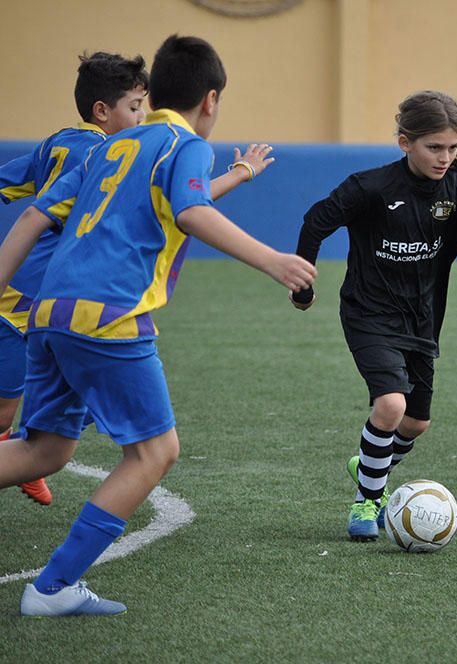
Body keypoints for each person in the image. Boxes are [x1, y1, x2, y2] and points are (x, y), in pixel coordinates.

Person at [0, 34, 315, 616]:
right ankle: (53, 588)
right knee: (154, 454)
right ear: (211, 99)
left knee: (44, 451)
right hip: (109, 316)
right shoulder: (186, 143)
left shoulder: (106, 147)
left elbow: (33, 213)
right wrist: (274, 261)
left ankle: (56, 586)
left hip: (47, 314)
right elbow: (192, 211)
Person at [0, 52, 276, 507]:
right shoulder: (107, 154)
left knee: (48, 419)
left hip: (43, 303)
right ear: (103, 111)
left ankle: (30, 457)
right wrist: (240, 177)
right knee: (23, 413)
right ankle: (27, 469)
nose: (143, 116)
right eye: (134, 106)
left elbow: (25, 203)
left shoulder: (56, 143)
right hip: (53, 304)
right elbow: (188, 207)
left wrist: (238, 173)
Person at [290, 90, 457, 542]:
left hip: (422, 319)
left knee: (415, 423)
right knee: (391, 405)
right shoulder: (370, 187)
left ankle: (370, 463)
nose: (444, 157)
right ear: (404, 143)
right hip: (368, 312)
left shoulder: (456, 189)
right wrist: (303, 285)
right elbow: (317, 221)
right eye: (434, 147)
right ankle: (366, 503)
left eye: (453, 148)